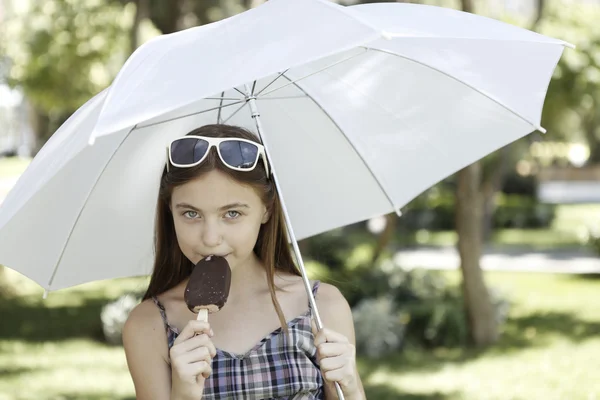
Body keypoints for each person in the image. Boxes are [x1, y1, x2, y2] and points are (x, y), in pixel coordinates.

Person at [123, 124, 365, 400]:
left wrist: (351, 388)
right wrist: (184, 395)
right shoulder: (148, 326)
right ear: (170, 213)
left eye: (232, 213)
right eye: (191, 214)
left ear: (266, 209)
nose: (210, 238)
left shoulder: (322, 308)